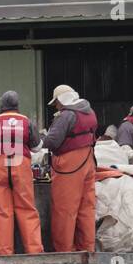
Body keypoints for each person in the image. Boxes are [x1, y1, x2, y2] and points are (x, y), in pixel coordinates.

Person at [0, 90, 43, 255]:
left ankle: (5, 253)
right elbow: (37, 147)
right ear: (17, 105)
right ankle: (34, 251)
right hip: (20, 165)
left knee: (2, 212)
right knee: (27, 209)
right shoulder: (27, 121)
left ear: (2, 105)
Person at [41, 84, 97, 252]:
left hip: (69, 164)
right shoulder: (89, 111)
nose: (56, 107)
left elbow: (52, 141)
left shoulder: (66, 116)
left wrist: (40, 137)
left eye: (56, 103)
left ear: (61, 100)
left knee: (64, 210)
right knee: (86, 209)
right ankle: (87, 249)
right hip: (88, 160)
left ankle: (65, 252)